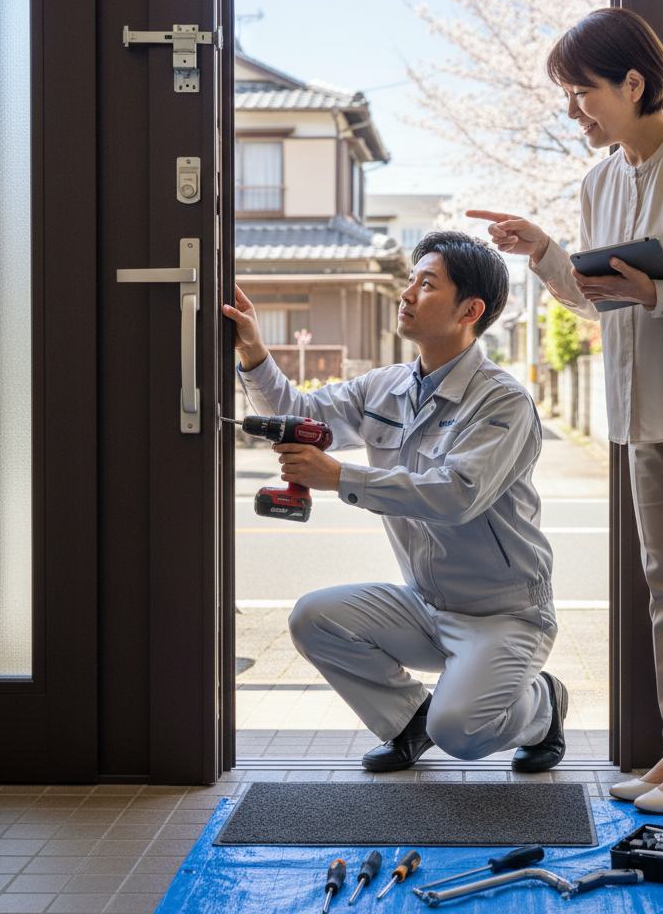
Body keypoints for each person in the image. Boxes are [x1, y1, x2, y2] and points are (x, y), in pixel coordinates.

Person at [468, 7, 663, 814]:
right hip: (644, 406)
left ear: (634, 83)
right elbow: (596, 299)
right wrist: (544, 252)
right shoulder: (600, 180)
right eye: (569, 95)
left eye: (583, 92)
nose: (574, 109)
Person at [223, 231, 569, 773]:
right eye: (410, 281)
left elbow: (457, 495)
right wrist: (252, 349)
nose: (406, 294)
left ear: (469, 311)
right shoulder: (384, 388)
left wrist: (339, 476)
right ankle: (408, 722)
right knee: (313, 617)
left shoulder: (502, 401)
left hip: (504, 614)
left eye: (426, 284)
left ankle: (543, 705)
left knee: (461, 731)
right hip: (426, 603)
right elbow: (300, 415)